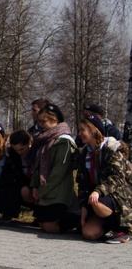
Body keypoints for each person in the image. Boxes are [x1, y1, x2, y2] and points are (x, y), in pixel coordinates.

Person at [75, 114, 132, 243]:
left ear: (93, 129)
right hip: (100, 199)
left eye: (82, 130)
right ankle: (106, 225)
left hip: (121, 196)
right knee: (89, 233)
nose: (79, 133)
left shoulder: (112, 149)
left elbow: (118, 178)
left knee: (97, 202)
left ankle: (122, 230)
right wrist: (83, 205)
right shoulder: (85, 153)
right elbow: (82, 183)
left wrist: (98, 191)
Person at [29, 103, 78, 234]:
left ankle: (77, 218)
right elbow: (37, 165)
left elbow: (58, 171)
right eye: (39, 121)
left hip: (57, 191)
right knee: (43, 225)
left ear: (54, 120)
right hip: (44, 191)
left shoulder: (64, 141)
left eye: (43, 121)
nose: (40, 124)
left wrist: (42, 190)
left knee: (50, 227)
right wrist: (34, 186)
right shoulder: (44, 139)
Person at [1, 129, 35, 221]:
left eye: (22, 149)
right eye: (16, 150)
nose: (20, 153)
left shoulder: (38, 154)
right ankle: (9, 213)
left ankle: (39, 214)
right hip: (21, 184)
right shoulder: (13, 157)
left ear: (30, 142)